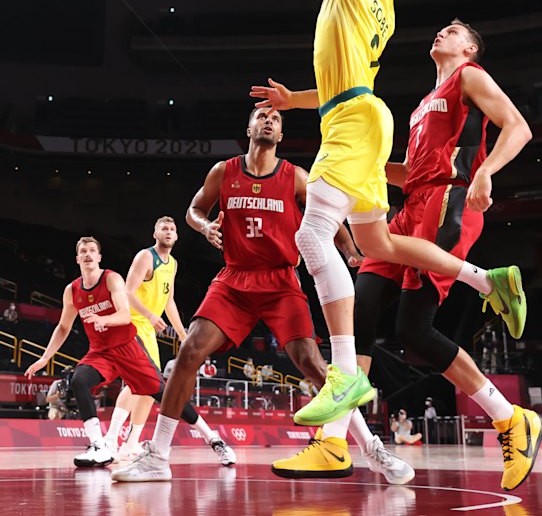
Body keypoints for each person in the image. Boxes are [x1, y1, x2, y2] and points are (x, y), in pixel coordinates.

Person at [249, 0, 526, 473]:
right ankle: (485, 281)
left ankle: (344, 374)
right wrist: (298, 98)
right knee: (376, 241)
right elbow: (350, 84)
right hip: (359, 115)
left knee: (315, 233)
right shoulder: (386, 12)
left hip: (359, 127)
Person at [112, 107, 414, 485]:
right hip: (235, 279)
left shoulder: (296, 177)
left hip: (280, 281)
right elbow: (193, 209)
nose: (269, 121)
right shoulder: (224, 171)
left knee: (314, 365)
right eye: (262, 116)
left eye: (276, 119)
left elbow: (329, 213)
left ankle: (373, 450)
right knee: (189, 351)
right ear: (249, 127)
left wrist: (350, 249)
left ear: (281, 135)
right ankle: (157, 456)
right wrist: (206, 227)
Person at [351, 19, 542, 491]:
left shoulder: (469, 76)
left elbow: (518, 128)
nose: (440, 33)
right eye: (439, 28)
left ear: (470, 47)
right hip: (411, 206)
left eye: (453, 31)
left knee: (413, 330)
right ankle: (339, 431)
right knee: (364, 303)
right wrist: (362, 168)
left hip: (449, 202)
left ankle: (510, 418)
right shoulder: (419, 107)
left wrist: (487, 172)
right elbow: (411, 175)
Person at [24, 236, 228, 468]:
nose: (88, 254)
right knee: (79, 380)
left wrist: (105, 319)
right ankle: (100, 446)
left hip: (128, 348)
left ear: (99, 257)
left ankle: (214, 439)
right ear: (77, 258)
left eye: (92, 250)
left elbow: (125, 314)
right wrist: (44, 358)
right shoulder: (72, 291)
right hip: (101, 353)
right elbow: (63, 328)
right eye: (83, 251)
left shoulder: (112, 279)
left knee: (166, 395)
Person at [102, 217, 230, 463]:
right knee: (135, 383)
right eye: (164, 228)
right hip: (132, 325)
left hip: (147, 330)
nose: (168, 231)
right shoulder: (145, 257)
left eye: (172, 229)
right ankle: (110, 440)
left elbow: (168, 301)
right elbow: (127, 292)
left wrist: (183, 334)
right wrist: (150, 315)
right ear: (155, 233)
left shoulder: (172, 263)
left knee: (150, 388)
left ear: (177, 236)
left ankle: (130, 444)